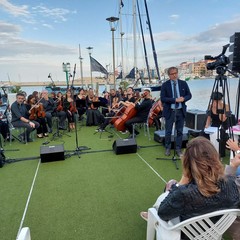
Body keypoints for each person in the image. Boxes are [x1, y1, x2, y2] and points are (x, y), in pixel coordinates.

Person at [140, 137, 240, 239]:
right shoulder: (233, 184)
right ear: (215, 157)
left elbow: (162, 213)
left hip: (187, 235)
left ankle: (152, 212)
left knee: (169, 187)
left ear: (187, 162)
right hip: (214, 232)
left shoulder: (183, 193)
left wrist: (181, 183)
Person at [161, 66, 192, 157]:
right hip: (170, 111)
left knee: (179, 131)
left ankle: (178, 148)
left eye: (175, 73)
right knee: (168, 131)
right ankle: (168, 147)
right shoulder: (165, 85)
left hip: (180, 110)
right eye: (172, 74)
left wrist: (184, 99)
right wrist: (175, 100)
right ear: (169, 75)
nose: (174, 75)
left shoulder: (183, 83)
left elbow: (189, 95)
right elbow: (163, 98)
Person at [205, 91, 230, 157]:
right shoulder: (210, 106)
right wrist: (206, 126)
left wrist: (219, 108)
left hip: (223, 126)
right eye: (213, 101)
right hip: (214, 125)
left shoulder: (226, 106)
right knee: (203, 133)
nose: (214, 102)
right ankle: (207, 151)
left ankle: (216, 152)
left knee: (218, 134)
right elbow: (209, 118)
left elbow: (222, 119)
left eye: (217, 101)